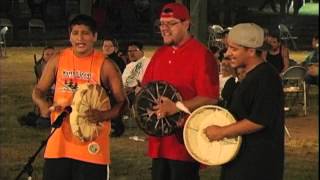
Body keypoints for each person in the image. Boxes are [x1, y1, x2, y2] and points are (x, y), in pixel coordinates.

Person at [32, 14, 126, 180]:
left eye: (85, 33)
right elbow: (38, 90)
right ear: (70, 36)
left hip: (92, 146)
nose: (80, 38)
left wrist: (103, 115)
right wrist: (42, 104)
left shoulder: (106, 65)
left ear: (95, 36)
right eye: (75, 33)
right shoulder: (58, 59)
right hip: (59, 144)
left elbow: (123, 102)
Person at [141, 3, 219, 180]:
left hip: (184, 143)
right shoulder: (160, 53)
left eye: (171, 23)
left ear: (186, 24)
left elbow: (210, 98)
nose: (164, 29)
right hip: (159, 143)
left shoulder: (202, 55)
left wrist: (176, 106)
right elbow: (146, 89)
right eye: (162, 24)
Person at [204, 23, 284, 180]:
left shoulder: (267, 78)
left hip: (258, 165)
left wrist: (221, 132)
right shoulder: (247, 77)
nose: (227, 54)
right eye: (228, 48)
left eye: (234, 49)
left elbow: (258, 120)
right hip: (239, 161)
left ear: (251, 51)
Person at [122, 40, 150, 106]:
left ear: (142, 51)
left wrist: (133, 88)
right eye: (129, 51)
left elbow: (147, 82)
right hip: (124, 93)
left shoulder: (147, 62)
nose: (131, 53)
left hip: (139, 94)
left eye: (135, 50)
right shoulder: (128, 66)